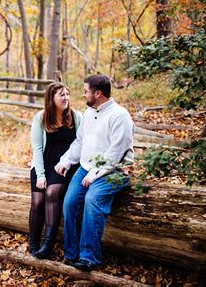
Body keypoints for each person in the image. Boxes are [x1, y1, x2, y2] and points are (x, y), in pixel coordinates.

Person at [55, 74, 134, 271]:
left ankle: (89, 257)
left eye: (85, 91)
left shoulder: (120, 116)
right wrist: (65, 161)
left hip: (114, 171)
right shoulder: (89, 113)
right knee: (70, 201)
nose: (83, 95)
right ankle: (71, 254)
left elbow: (116, 153)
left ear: (97, 93)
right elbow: (80, 141)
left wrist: (95, 174)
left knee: (92, 199)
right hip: (86, 168)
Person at [29, 82, 83, 259]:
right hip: (43, 163)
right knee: (37, 202)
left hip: (66, 165)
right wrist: (41, 175)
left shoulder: (76, 117)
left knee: (51, 193)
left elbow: (83, 142)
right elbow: (37, 148)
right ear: (51, 98)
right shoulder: (41, 118)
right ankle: (33, 243)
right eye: (61, 95)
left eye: (68, 94)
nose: (66, 98)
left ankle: (47, 245)